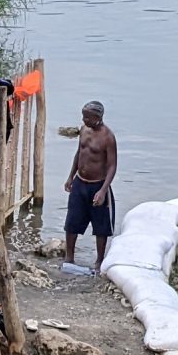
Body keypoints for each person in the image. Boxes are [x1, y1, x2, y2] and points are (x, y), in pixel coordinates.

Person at [63, 101, 117, 267]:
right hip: (80, 183)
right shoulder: (83, 130)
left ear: (97, 118)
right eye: (83, 116)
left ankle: (99, 261)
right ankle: (69, 257)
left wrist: (103, 190)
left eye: (87, 117)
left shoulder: (107, 137)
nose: (83, 119)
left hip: (98, 185)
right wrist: (71, 176)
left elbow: (112, 166)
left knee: (101, 227)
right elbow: (79, 153)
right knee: (72, 222)